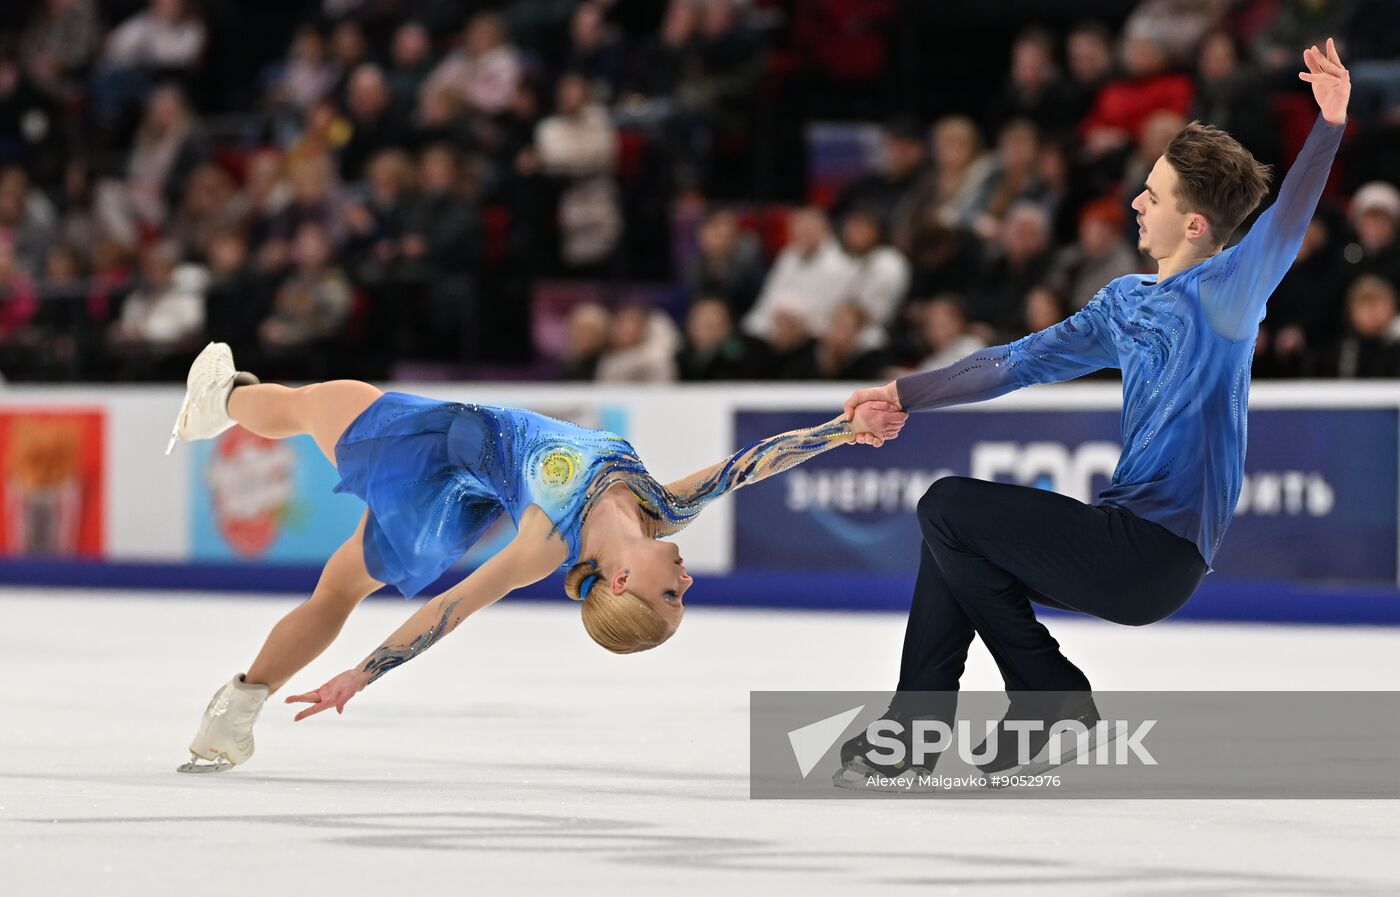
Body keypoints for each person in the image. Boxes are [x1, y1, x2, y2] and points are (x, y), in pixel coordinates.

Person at [835, 40, 1350, 785]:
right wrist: (904, 393)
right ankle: (918, 730)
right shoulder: (1125, 301)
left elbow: (1287, 222)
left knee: (947, 506)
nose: (1136, 201)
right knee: (950, 538)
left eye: (1153, 193)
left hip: (1156, 551)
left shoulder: (1229, 296)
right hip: (1121, 535)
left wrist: (1327, 127)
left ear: (1196, 224)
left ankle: (1050, 699)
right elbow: (1016, 360)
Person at [166, 342, 906, 772]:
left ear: (621, 580)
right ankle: (236, 708)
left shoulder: (546, 540)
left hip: (435, 454)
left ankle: (222, 402)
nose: (688, 579)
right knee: (337, 587)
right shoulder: (664, 504)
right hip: (461, 497)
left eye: (672, 594)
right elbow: (751, 464)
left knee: (319, 402)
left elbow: (450, 609)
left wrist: (363, 672)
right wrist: (844, 430)